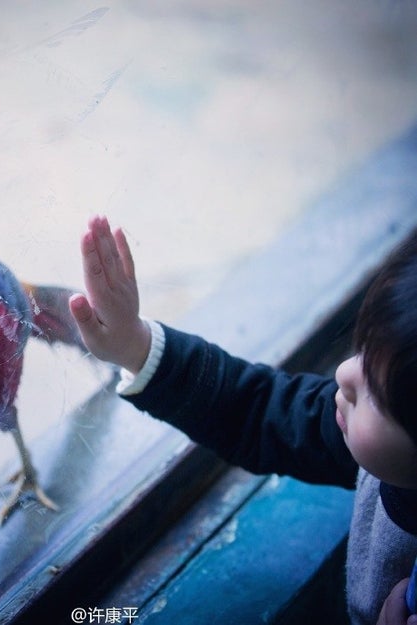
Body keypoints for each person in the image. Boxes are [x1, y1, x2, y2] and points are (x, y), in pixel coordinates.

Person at [68, 215, 417, 625]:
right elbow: (258, 409)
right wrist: (135, 346)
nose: (344, 373)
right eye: (362, 352)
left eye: (376, 389)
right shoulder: (377, 446)